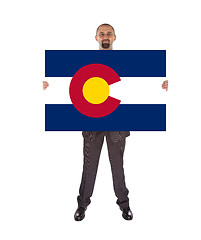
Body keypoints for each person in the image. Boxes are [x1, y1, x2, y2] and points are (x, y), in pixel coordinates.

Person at [43, 23, 168, 221]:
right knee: (89, 165)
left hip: (117, 122)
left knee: (117, 165)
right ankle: (82, 205)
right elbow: (70, 84)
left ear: (115, 37)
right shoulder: (86, 63)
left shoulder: (125, 62)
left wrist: (160, 86)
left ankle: (124, 205)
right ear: (96, 38)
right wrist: (50, 85)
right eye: (102, 34)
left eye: (108, 33)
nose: (105, 36)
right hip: (92, 121)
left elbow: (139, 83)